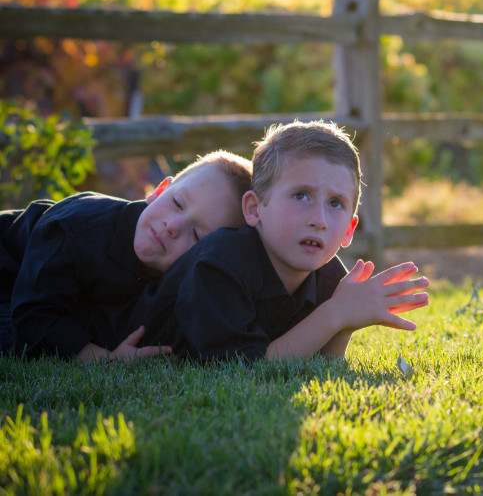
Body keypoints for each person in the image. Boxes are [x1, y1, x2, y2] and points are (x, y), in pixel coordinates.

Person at [133, 119, 430, 361]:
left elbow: (321, 361)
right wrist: (335, 314)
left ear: (349, 230)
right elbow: (244, 367)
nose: (319, 219)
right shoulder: (219, 263)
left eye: (335, 203)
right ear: (254, 209)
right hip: (114, 338)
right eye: (301, 195)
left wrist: (345, 322)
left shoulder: (331, 278)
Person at [0, 150, 252, 362]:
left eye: (197, 234)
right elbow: (33, 315)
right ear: (160, 190)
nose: (172, 226)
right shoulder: (78, 229)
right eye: (177, 203)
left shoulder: (178, 282)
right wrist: (103, 358)